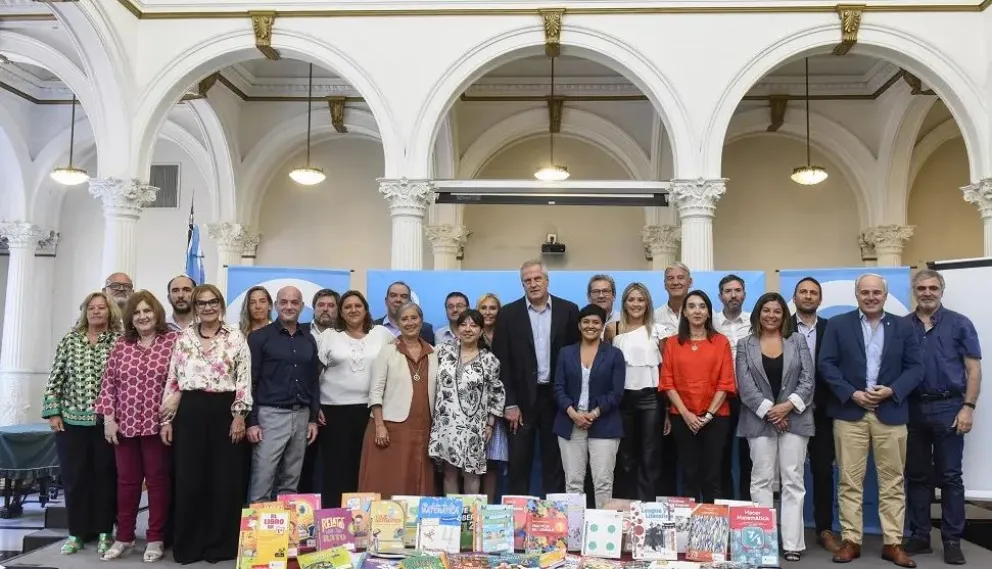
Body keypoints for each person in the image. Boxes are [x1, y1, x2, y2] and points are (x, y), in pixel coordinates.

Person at [819, 273, 924, 567]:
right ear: (856, 295)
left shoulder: (903, 326)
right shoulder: (839, 325)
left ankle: (893, 544)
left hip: (890, 413)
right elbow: (826, 365)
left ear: (885, 295)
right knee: (849, 481)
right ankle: (851, 541)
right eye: (865, 292)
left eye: (876, 292)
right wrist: (852, 394)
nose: (871, 297)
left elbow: (916, 368)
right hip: (849, 413)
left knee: (892, 482)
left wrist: (892, 390)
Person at [160, 284, 252, 565]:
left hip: (225, 411)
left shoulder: (236, 336)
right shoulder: (184, 337)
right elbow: (173, 379)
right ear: (195, 307)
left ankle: (220, 546)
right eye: (202, 303)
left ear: (221, 305)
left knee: (224, 481)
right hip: (190, 410)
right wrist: (167, 419)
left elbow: (244, 378)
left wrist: (240, 415)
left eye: (213, 302)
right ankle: (189, 546)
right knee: (190, 480)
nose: (208, 307)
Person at [903, 269, 981, 565]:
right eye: (921, 287)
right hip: (912, 409)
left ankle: (951, 540)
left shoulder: (960, 324)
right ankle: (921, 536)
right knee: (917, 476)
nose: (927, 292)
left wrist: (968, 407)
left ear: (941, 290)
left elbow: (973, 370)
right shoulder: (902, 326)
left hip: (950, 407)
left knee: (950, 476)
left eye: (932, 287)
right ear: (914, 291)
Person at [95, 291, 180, 562]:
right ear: (131, 317)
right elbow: (108, 383)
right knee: (126, 483)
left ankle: (155, 537)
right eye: (137, 312)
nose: (143, 316)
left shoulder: (173, 341)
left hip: (158, 426)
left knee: (158, 483)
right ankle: (125, 537)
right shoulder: (121, 345)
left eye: (147, 311)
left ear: (157, 313)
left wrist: (169, 418)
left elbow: (179, 381)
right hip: (125, 425)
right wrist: (109, 419)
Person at [735, 292, 815, 562]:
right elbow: (745, 387)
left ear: (784, 315)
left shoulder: (797, 340)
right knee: (761, 480)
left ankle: (792, 543)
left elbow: (808, 380)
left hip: (795, 419)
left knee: (793, 480)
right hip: (759, 420)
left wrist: (786, 407)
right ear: (758, 313)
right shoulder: (745, 344)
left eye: (777, 311)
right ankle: (761, 543)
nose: (771, 315)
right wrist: (772, 412)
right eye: (766, 310)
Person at [43, 291, 122, 556]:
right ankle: (76, 533)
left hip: (105, 423)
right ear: (85, 311)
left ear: (109, 311)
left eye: (101, 307)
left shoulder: (118, 341)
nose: (96, 312)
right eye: (92, 307)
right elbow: (55, 378)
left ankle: (104, 532)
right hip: (71, 423)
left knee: (104, 478)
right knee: (74, 479)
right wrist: (53, 413)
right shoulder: (69, 340)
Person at [492, 260, 580, 496]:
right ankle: (516, 522)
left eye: (537, 278)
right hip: (520, 403)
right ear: (522, 284)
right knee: (518, 463)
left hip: (557, 400)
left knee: (555, 464)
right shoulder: (508, 314)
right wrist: (509, 402)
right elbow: (502, 362)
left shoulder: (569, 310)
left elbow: (575, 359)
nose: (533, 284)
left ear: (547, 280)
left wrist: (571, 401)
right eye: (527, 280)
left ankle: (553, 524)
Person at [316, 290, 394, 507]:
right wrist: (315, 406)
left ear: (366, 309)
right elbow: (313, 374)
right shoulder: (329, 336)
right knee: (337, 469)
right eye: (347, 306)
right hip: (334, 412)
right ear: (340, 312)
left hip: (372, 412)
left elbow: (399, 363)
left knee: (369, 467)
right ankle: (336, 521)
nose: (353, 310)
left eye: (357, 306)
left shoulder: (381, 334)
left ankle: (368, 522)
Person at [659, 289, 736, 504]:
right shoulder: (673, 343)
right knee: (689, 476)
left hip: (716, 417)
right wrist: (686, 414)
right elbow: (667, 381)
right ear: (684, 312)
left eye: (702, 306)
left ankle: (712, 534)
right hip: (683, 417)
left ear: (709, 313)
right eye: (691, 306)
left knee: (712, 477)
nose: (697, 311)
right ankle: (688, 534)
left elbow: (726, 381)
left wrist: (708, 415)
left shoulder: (721, 342)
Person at [247, 287, 320, 503]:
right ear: (276, 305)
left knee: (290, 482)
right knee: (263, 479)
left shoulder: (308, 339)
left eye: (294, 302)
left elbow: (313, 381)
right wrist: (252, 421)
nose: (289, 306)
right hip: (270, 416)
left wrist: (313, 418)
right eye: (284, 302)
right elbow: (250, 381)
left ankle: (285, 535)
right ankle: (258, 537)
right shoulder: (259, 338)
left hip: (301, 416)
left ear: (301, 306)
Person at [359, 302, 438, 497]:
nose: (410, 322)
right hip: (390, 428)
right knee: (388, 479)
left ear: (421, 321)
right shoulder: (387, 351)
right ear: (398, 323)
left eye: (414, 318)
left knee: (418, 478)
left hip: (424, 427)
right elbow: (375, 391)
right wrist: (379, 425)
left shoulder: (435, 353)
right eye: (404, 319)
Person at [553, 304, 625, 508]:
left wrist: (593, 413)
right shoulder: (566, 353)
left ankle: (602, 535)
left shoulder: (614, 354)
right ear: (579, 325)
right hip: (570, 423)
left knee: (603, 483)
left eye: (596, 322)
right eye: (586, 321)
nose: (590, 326)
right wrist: (573, 414)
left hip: (605, 424)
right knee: (573, 483)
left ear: (603, 326)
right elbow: (558, 388)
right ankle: (574, 534)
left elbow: (616, 393)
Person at [429, 309, 505, 495]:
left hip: (474, 425)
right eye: (463, 324)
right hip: (445, 423)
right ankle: (453, 519)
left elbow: (497, 393)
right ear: (457, 328)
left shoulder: (489, 360)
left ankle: (470, 520)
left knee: (471, 473)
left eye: (474, 325)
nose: (468, 329)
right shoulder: (442, 351)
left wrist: (490, 425)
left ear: (481, 331)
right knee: (449, 472)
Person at [605, 282, 668, 502]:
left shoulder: (659, 330)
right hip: (621, 400)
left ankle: (647, 510)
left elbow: (665, 371)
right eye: (631, 299)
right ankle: (624, 509)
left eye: (641, 299)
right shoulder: (613, 328)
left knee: (650, 457)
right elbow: (606, 366)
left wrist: (668, 411)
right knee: (625, 457)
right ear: (624, 303)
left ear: (648, 303)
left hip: (651, 398)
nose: (636, 304)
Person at [477, 293, 509, 503]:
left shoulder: (506, 336)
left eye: (492, 308)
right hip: (471, 408)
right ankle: (470, 510)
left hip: (498, 407)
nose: (488, 312)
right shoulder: (469, 334)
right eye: (483, 308)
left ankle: (487, 508)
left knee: (491, 462)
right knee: (469, 463)